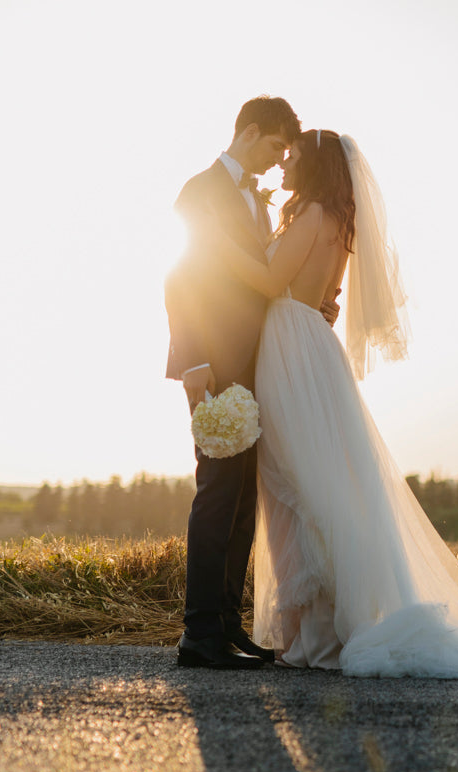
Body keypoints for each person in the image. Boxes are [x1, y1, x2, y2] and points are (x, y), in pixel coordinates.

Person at [202, 128, 458, 678]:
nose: (285, 164)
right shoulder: (341, 223)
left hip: (291, 350)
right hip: (311, 348)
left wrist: (220, 250)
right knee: (320, 482)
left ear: (315, 166)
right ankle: (314, 633)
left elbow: (271, 280)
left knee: (297, 487)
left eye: (294, 157)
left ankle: (318, 638)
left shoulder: (313, 214)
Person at [165, 96, 334, 670]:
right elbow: (180, 277)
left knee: (242, 505)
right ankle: (198, 635)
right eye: (276, 148)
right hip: (214, 362)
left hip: (263, 366)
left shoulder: (261, 202)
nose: (281, 160)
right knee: (216, 495)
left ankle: (226, 627)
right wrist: (191, 360)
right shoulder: (201, 191)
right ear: (251, 133)